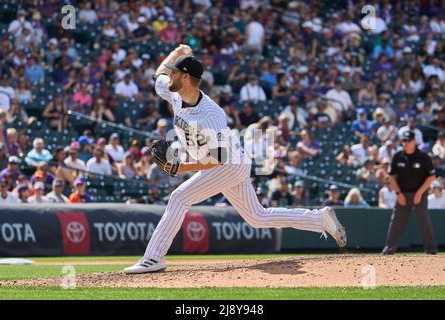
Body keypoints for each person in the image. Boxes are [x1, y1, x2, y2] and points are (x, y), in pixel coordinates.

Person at [124, 45, 346, 274]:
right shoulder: (175, 92)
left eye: (175, 72)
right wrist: (178, 52)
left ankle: (153, 258)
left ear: (186, 77)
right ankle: (320, 219)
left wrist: (183, 167)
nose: (169, 76)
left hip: (228, 163)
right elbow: (159, 74)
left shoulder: (211, 114)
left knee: (179, 197)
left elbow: (219, 157)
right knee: (257, 217)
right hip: (230, 161)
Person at [382, 130, 437, 255]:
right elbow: (391, 176)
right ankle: (389, 249)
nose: (405, 143)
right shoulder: (397, 156)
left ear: (414, 141)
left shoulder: (423, 156)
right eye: (404, 141)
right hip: (403, 194)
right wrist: (398, 193)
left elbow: (431, 177)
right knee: (396, 221)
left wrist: (419, 193)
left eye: (408, 141)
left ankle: (431, 249)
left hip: (420, 194)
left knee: (424, 219)